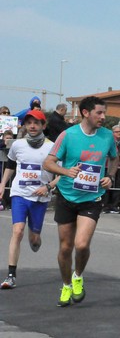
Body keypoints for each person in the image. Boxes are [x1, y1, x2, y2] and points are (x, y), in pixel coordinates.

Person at [42, 96, 118, 307]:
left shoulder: (107, 136)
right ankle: (66, 285)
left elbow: (114, 158)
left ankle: (78, 276)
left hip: (91, 198)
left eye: (104, 113)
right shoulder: (68, 135)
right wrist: (67, 171)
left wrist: (110, 176)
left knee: (82, 244)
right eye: (99, 113)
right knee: (66, 248)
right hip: (67, 196)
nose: (103, 117)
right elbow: (48, 163)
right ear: (86, 113)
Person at [0, 110, 58, 289]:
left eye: (36, 123)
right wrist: (2, 184)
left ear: (43, 126)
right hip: (19, 193)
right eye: (29, 123)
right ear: (25, 125)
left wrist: (48, 186)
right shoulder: (18, 145)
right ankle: (11, 276)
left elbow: (62, 175)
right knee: (17, 231)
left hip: (39, 197)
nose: (32, 126)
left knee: (34, 238)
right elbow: (10, 165)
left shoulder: (52, 147)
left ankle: (35, 239)